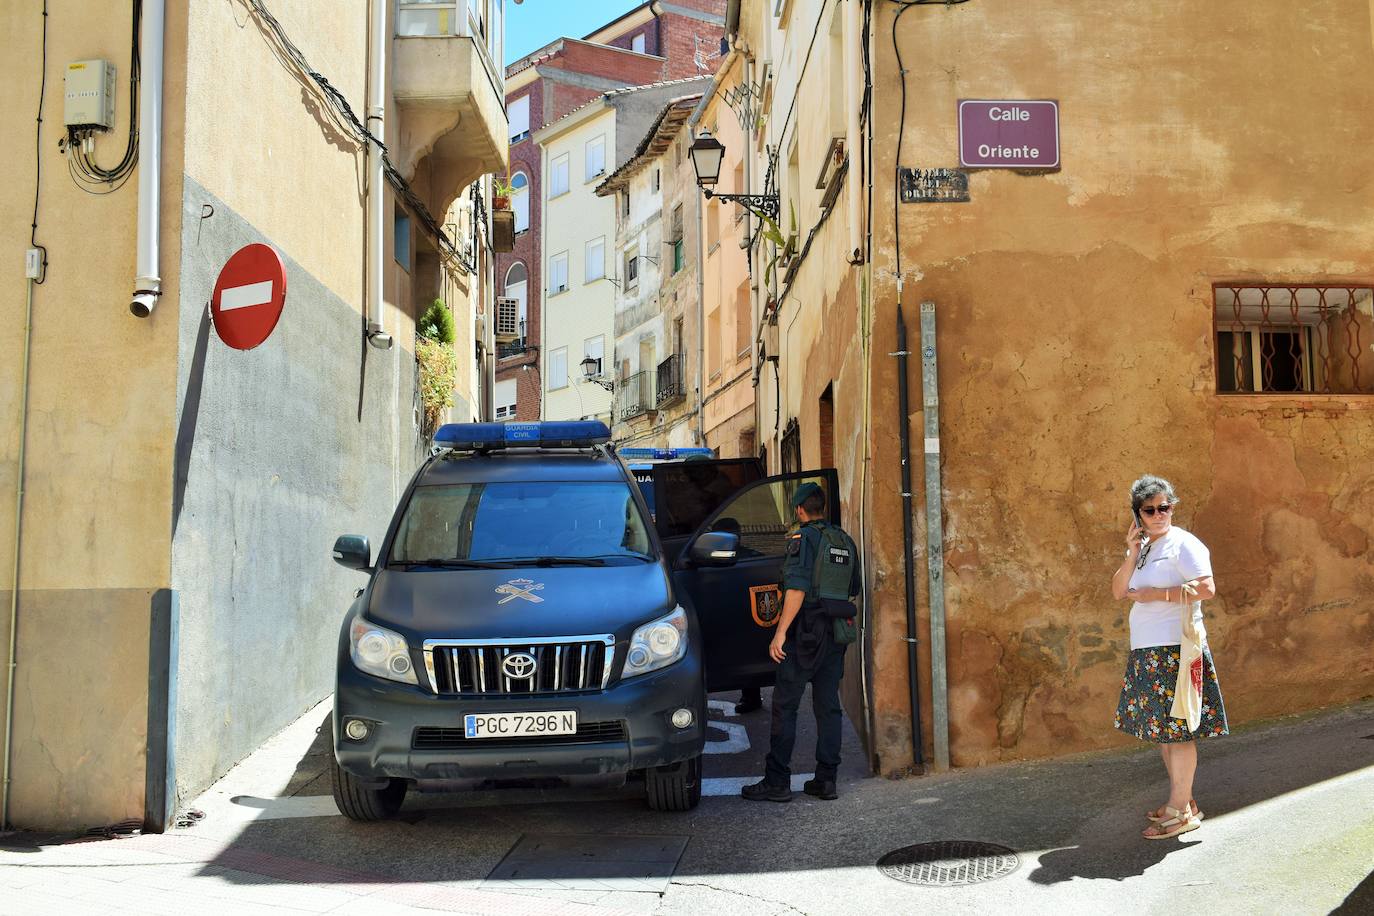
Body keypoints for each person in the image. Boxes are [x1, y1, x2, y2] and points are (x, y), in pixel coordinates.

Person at [1111, 474, 1229, 840]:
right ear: (1138, 515)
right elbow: (1118, 591)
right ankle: (1186, 802)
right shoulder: (1145, 549)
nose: (1160, 514)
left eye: (1165, 507)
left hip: (1176, 649)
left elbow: (1207, 588)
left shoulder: (1184, 544)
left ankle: (1180, 813)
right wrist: (1132, 552)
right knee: (1166, 732)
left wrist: (1156, 596)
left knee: (1177, 733)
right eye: (1151, 510)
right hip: (1149, 650)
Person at [742, 482, 860, 802]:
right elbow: (853, 588)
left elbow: (796, 589)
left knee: (785, 706)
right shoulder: (844, 540)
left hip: (805, 632)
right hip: (836, 631)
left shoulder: (802, 538)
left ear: (799, 510)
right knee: (828, 706)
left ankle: (777, 781)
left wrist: (780, 633)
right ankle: (826, 780)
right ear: (822, 507)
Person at [708, 516, 765, 714]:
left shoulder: (716, 557)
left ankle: (751, 697)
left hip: (732, 615)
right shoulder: (751, 556)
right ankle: (751, 697)